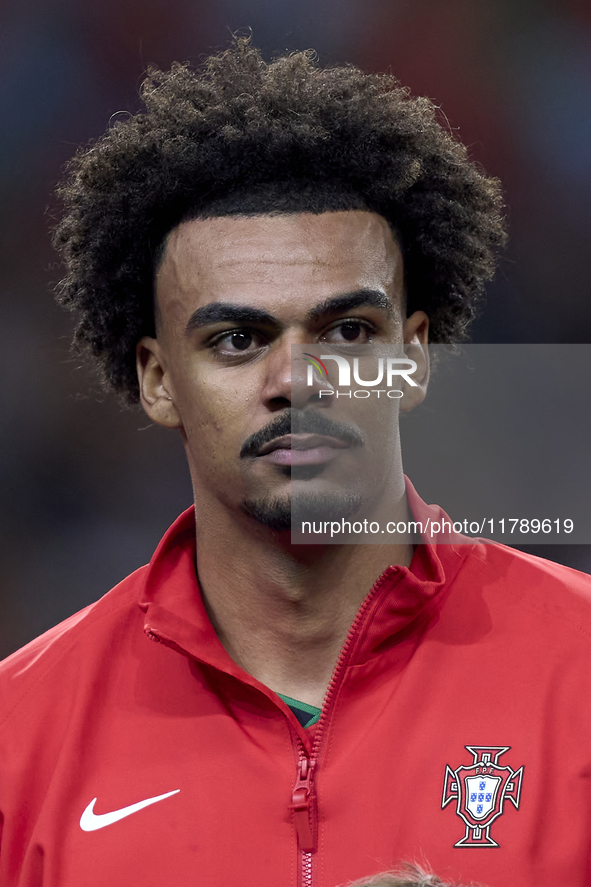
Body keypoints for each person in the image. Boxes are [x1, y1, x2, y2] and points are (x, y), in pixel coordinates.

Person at [0, 37, 589, 887]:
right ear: (158, 380)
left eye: (347, 333)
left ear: (413, 359)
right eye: (237, 340)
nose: (296, 382)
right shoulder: (22, 734)